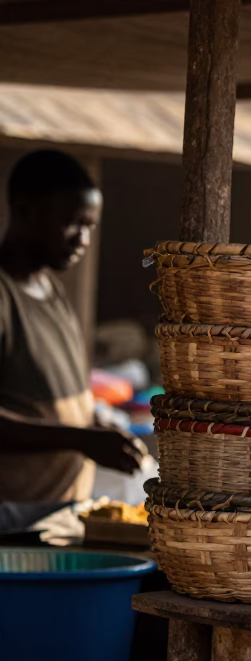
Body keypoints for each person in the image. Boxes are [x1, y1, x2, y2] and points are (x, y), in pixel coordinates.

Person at [0, 150, 143, 504]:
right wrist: (80, 439)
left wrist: (95, 423)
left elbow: (56, 400)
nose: (83, 240)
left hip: (57, 515)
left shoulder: (51, 292)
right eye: (72, 222)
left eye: (90, 226)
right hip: (12, 525)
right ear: (24, 212)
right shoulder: (4, 295)